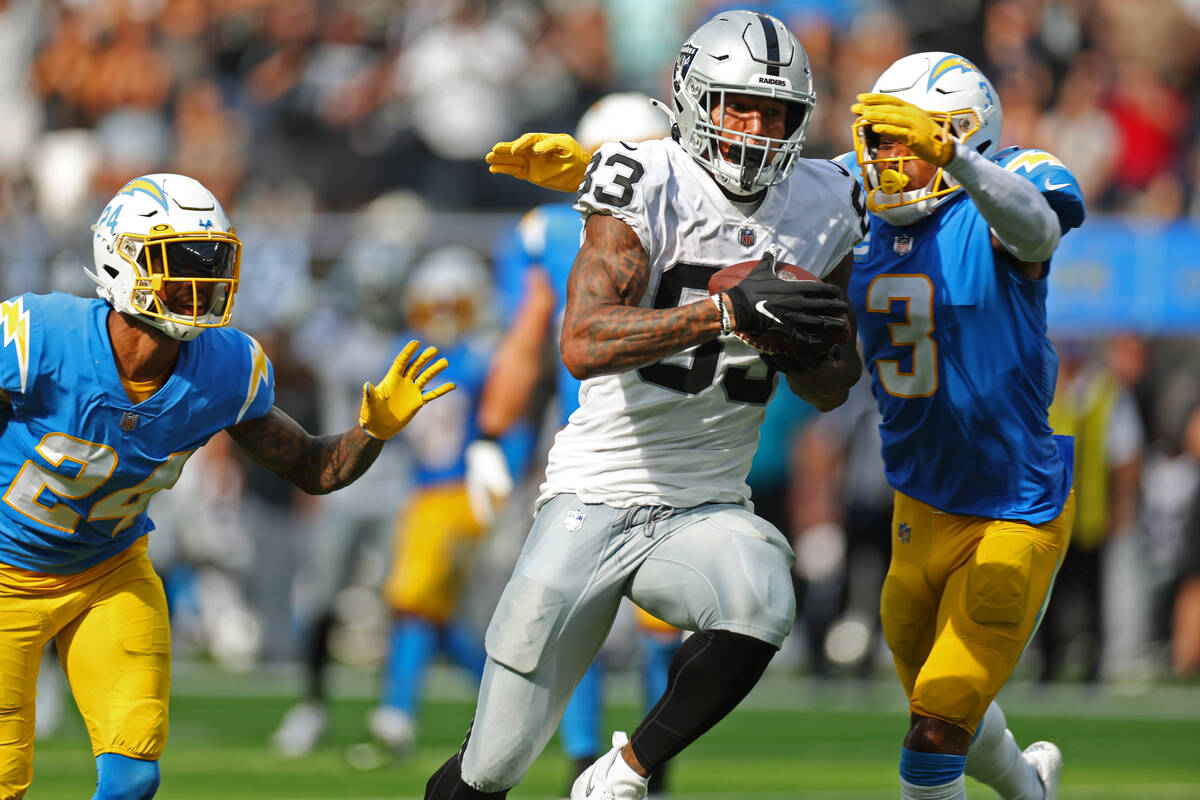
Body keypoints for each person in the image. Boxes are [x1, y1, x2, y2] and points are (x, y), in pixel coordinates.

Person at [490, 47, 1087, 800]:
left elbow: (1036, 231)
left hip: (1013, 504)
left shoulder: (1003, 193)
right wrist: (594, 169)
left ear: (964, 135)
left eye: (915, 139)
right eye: (883, 139)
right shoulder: (852, 200)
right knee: (941, 704)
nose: (893, 159)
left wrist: (956, 161)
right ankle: (1030, 788)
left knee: (934, 734)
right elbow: (740, 169)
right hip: (919, 499)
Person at [426, 10, 865, 800]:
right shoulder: (645, 179)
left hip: (703, 503)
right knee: (490, 768)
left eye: (777, 112)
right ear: (695, 101)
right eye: (740, 106)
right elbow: (582, 342)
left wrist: (807, 340)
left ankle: (623, 774)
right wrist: (724, 314)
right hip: (595, 493)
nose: (759, 129)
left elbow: (832, 388)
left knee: (764, 593)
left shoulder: (825, 201)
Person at [0, 173, 454, 800]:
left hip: (106, 575)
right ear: (121, 260)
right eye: (179, 263)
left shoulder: (225, 369)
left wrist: (371, 431)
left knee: (132, 776)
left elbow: (317, 470)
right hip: (4, 576)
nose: (202, 283)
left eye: (211, 263)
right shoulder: (40, 336)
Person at [473, 91, 683, 800]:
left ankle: (583, 761)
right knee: (669, 620)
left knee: (575, 614)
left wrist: (493, 437)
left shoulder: (549, 230)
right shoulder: (701, 210)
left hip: (594, 455)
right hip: (679, 448)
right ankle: (649, 768)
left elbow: (528, 338)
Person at [349, 244, 498, 768]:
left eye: (447, 305)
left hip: (456, 494)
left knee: (412, 606)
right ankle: (503, 703)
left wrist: (494, 485)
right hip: (422, 494)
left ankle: (395, 717)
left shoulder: (482, 359)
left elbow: (505, 427)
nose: (437, 316)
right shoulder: (417, 355)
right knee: (429, 616)